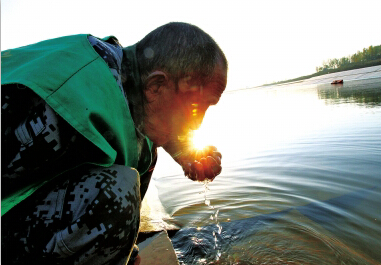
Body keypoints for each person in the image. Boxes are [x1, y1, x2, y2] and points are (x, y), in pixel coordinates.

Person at [1, 22, 227, 265]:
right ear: (156, 86)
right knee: (116, 194)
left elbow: (140, 121)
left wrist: (185, 152)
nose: (197, 124)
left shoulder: (122, 77)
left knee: (143, 155)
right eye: (196, 107)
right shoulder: (58, 107)